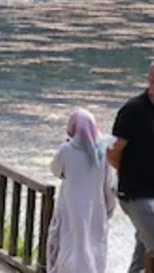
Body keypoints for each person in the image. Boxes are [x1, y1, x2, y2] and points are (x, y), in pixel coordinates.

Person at [109, 58, 154, 273]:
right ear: (153, 80)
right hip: (137, 194)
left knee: (144, 258)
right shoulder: (133, 110)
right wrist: (130, 177)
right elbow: (114, 152)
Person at [48, 108, 117, 273]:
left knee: (70, 244)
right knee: (94, 246)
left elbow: (55, 170)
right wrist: (109, 209)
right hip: (96, 208)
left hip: (70, 206)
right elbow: (109, 185)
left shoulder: (66, 149)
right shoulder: (102, 152)